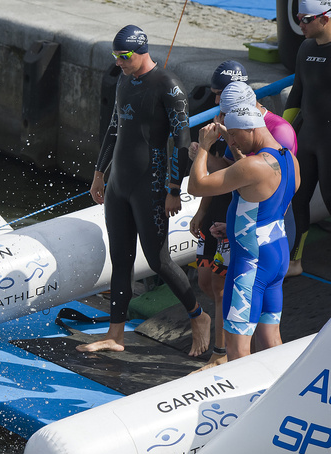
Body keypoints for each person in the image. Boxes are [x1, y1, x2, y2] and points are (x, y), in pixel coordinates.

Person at [79, 24, 211, 356]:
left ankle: (199, 317)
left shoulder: (168, 86)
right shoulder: (125, 79)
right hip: (118, 186)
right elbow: (114, 128)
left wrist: (173, 189)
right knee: (120, 260)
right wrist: (99, 173)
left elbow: (181, 141)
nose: (119, 63)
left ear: (141, 51)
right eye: (115, 56)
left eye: (123, 57)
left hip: (150, 187)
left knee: (158, 260)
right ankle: (116, 335)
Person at [189, 78, 298, 370]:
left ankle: (247, 407)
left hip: (250, 264)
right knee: (270, 339)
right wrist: (236, 225)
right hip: (276, 256)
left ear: (250, 128)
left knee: (238, 353)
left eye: (234, 136)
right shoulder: (288, 160)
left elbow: (197, 186)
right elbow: (270, 205)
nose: (232, 142)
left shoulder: (253, 165)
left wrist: (204, 147)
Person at [188, 61, 249, 368]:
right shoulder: (219, 120)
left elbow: (232, 172)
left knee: (221, 287)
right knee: (205, 282)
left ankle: (221, 353)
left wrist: (203, 154)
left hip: (230, 214)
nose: (214, 101)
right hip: (213, 211)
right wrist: (200, 211)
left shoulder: (242, 125)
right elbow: (211, 180)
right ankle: (214, 328)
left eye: (219, 94)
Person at [284, 0, 331, 277]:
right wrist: (281, 134)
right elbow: (296, 94)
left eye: (306, 19)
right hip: (308, 137)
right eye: (299, 18)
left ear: (325, 18)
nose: (300, 24)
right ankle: (295, 261)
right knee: (297, 199)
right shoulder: (305, 48)